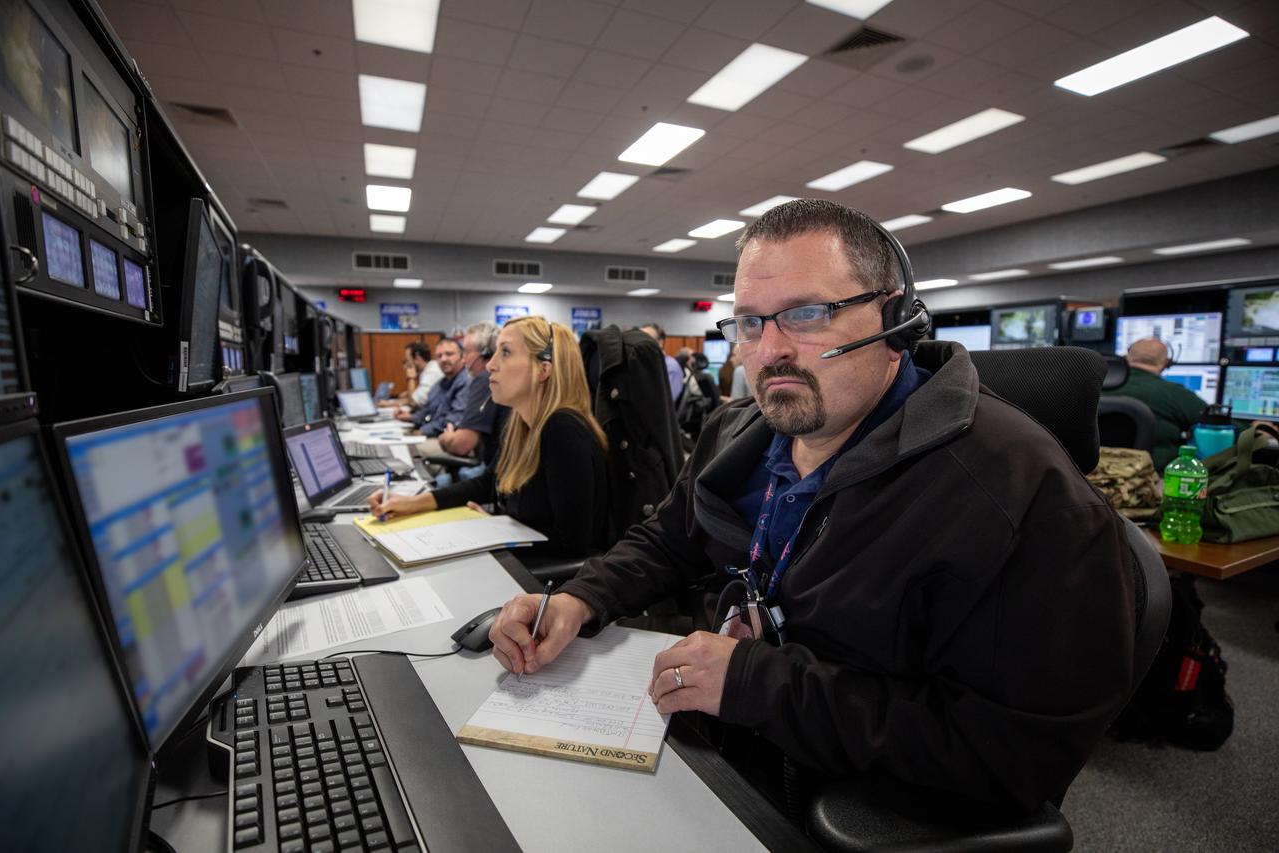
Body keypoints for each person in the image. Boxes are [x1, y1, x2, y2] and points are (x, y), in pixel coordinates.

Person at [486, 200, 1135, 814]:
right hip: (709, 741)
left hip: (832, 794)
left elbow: (1014, 754)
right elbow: (670, 538)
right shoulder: (738, 432)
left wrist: (757, 685)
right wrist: (580, 597)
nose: (769, 351)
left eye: (806, 313)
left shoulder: (1017, 494)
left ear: (895, 318)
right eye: (749, 322)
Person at [370, 317, 609, 558]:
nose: (490, 365)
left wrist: (501, 532)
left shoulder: (563, 429)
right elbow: (486, 484)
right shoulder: (520, 424)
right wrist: (412, 503)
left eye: (505, 353)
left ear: (543, 370)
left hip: (548, 583)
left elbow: (573, 545)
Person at [1104, 337, 1208, 470]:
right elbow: (1219, 424)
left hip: (1094, 476)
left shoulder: (1096, 385)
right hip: (1151, 479)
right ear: (1166, 363)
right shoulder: (1175, 394)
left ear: (1126, 357)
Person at [438, 322, 509, 469]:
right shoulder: (503, 378)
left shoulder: (486, 379)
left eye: (466, 353)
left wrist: (446, 438)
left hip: (493, 475)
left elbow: (462, 445)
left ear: (485, 353)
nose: (463, 360)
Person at [399, 337, 470, 451]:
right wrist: (410, 417)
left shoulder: (465, 381)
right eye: (439, 356)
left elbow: (454, 419)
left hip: (448, 439)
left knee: (406, 449)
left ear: (462, 357)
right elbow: (427, 410)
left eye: (449, 354)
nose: (443, 359)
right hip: (434, 434)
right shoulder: (441, 382)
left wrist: (423, 431)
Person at [384, 342, 443, 408]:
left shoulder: (432, 372)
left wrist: (411, 378)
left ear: (417, 359)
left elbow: (413, 402)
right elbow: (414, 398)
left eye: (407, 361)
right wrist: (391, 403)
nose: (405, 367)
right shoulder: (429, 369)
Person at [640, 322, 683, 402]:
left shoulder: (670, 366)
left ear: (660, 342)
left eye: (646, 340)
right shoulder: (642, 365)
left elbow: (665, 401)